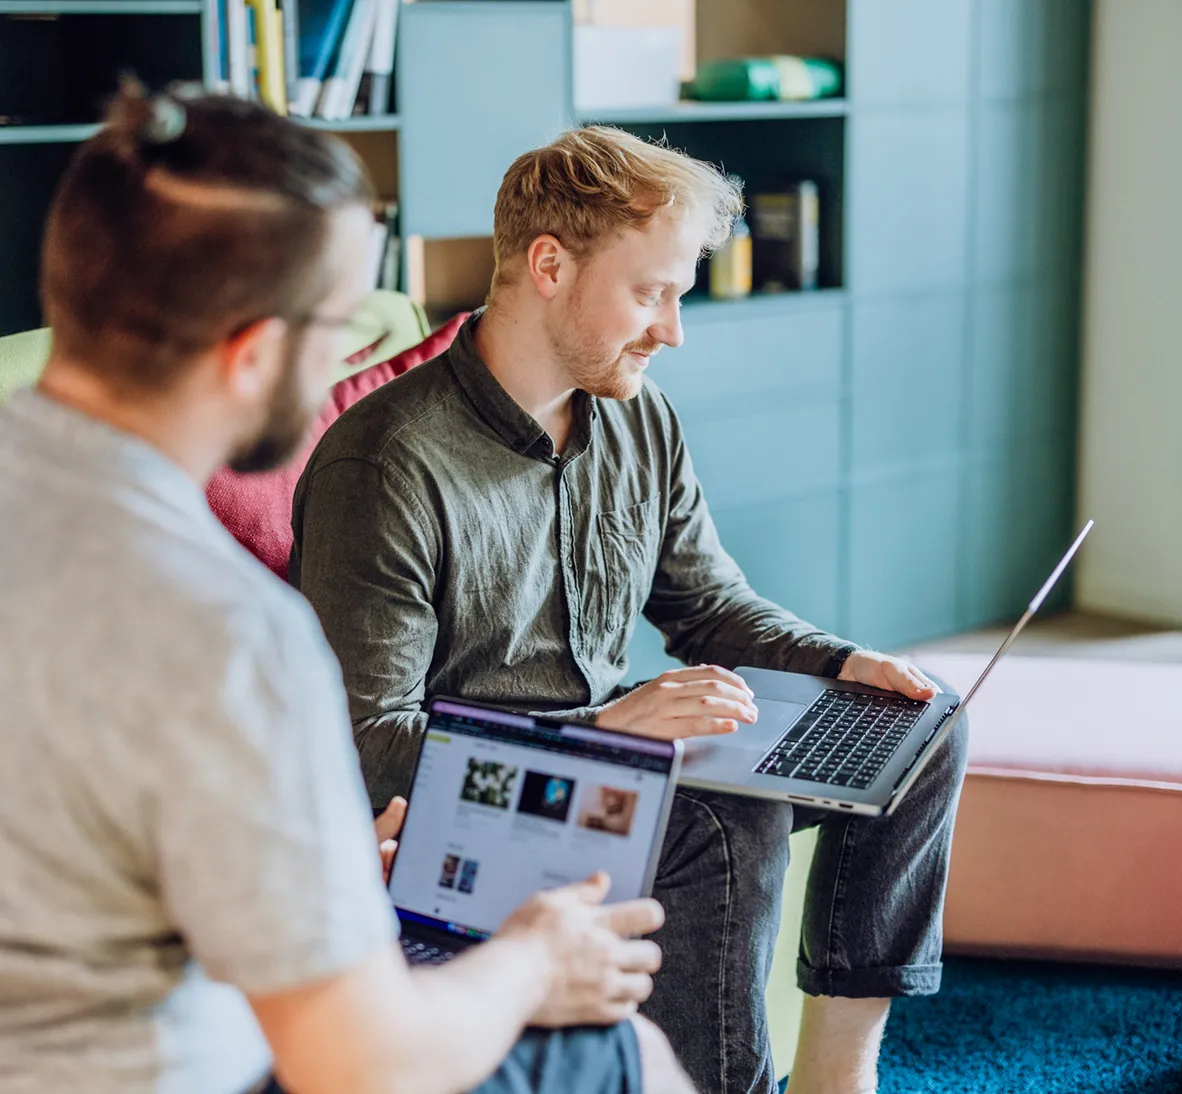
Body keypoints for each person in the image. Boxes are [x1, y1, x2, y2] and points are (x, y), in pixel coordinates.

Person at [0, 86, 695, 1094]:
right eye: (337, 325)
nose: (351, 358)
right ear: (252, 355)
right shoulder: (226, 633)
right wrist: (536, 957)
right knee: (619, 1049)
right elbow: (362, 1062)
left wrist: (303, 871)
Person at [290, 127, 970, 1094]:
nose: (672, 329)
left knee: (923, 721)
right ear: (549, 265)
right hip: (468, 811)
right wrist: (602, 731)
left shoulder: (637, 414)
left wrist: (841, 664)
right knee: (721, 823)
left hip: (613, 763)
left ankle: (835, 1078)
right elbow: (365, 741)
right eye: (650, 293)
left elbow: (705, 602)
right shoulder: (387, 466)